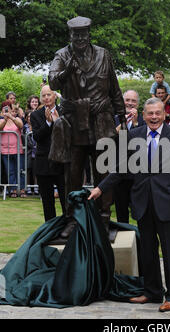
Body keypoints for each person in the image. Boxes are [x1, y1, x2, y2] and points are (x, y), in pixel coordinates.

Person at [88, 97, 170, 312]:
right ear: (144, 115)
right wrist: (100, 188)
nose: (154, 117)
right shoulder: (134, 135)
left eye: (157, 113)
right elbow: (120, 166)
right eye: (150, 113)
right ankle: (152, 291)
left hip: (168, 202)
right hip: (142, 201)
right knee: (147, 251)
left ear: (164, 115)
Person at [48, 16, 126, 240]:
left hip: (101, 120)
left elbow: (113, 86)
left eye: (83, 34)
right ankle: (72, 219)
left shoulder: (103, 54)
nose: (80, 38)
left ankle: (103, 218)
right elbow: (52, 82)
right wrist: (67, 72)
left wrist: (121, 115)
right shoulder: (62, 55)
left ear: (89, 34)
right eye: (76, 35)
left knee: (104, 172)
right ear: (70, 36)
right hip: (75, 124)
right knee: (72, 175)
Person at [30, 85, 66, 221]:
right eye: (43, 95)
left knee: (65, 199)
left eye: (49, 95)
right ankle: (50, 230)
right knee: (47, 201)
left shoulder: (64, 112)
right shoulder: (35, 115)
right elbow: (37, 137)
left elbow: (69, 135)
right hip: (43, 163)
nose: (46, 98)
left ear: (55, 96)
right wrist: (48, 123)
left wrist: (57, 122)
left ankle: (69, 227)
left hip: (62, 162)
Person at [114, 90, 145, 223]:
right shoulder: (114, 118)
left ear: (137, 104)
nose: (130, 103)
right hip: (119, 172)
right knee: (121, 210)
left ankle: (143, 240)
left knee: (140, 209)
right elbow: (108, 141)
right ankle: (123, 237)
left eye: (133, 101)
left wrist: (136, 123)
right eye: (127, 100)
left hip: (138, 173)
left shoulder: (144, 120)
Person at [0, 100, 26, 197]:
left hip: (18, 150)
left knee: (20, 170)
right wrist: (6, 119)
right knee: (10, 171)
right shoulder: (1, 120)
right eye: (5, 108)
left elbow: (21, 125)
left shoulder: (17, 119)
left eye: (9, 108)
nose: (7, 110)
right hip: (5, 151)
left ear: (12, 109)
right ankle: (13, 190)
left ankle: (22, 189)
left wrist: (11, 117)